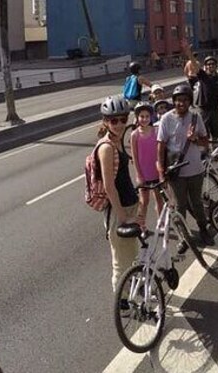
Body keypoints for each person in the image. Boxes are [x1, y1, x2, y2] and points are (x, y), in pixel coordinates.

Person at [156, 84, 214, 251]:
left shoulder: (196, 118)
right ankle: (183, 237)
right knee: (179, 205)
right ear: (173, 101)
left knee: (197, 203)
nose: (181, 103)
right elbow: (160, 146)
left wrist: (195, 139)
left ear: (190, 102)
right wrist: (161, 172)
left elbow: (205, 142)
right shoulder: (166, 119)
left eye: (185, 100)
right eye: (178, 100)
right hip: (176, 172)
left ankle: (203, 229)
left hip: (195, 170)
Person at [96, 95, 140, 294]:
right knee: (120, 261)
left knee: (130, 253)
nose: (120, 124)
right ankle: (121, 301)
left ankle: (132, 288)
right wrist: (121, 215)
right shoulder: (106, 147)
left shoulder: (119, 141)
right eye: (114, 120)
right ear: (105, 121)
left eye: (123, 119)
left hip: (130, 204)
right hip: (118, 210)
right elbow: (109, 186)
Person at [131, 102, 163, 229]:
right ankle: (141, 226)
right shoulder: (135, 135)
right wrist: (139, 175)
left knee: (159, 199)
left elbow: (160, 152)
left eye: (147, 116)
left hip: (155, 172)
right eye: (141, 116)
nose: (144, 119)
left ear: (151, 117)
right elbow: (135, 156)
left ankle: (160, 222)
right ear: (137, 118)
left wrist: (161, 171)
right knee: (144, 202)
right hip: (143, 174)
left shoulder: (156, 131)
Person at [191, 55, 218, 140]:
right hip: (204, 109)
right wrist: (188, 51)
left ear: (216, 66)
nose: (210, 65)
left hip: (215, 109)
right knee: (204, 133)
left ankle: (215, 149)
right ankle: (206, 151)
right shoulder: (203, 76)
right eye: (208, 64)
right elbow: (194, 63)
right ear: (205, 66)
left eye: (212, 64)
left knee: (216, 133)